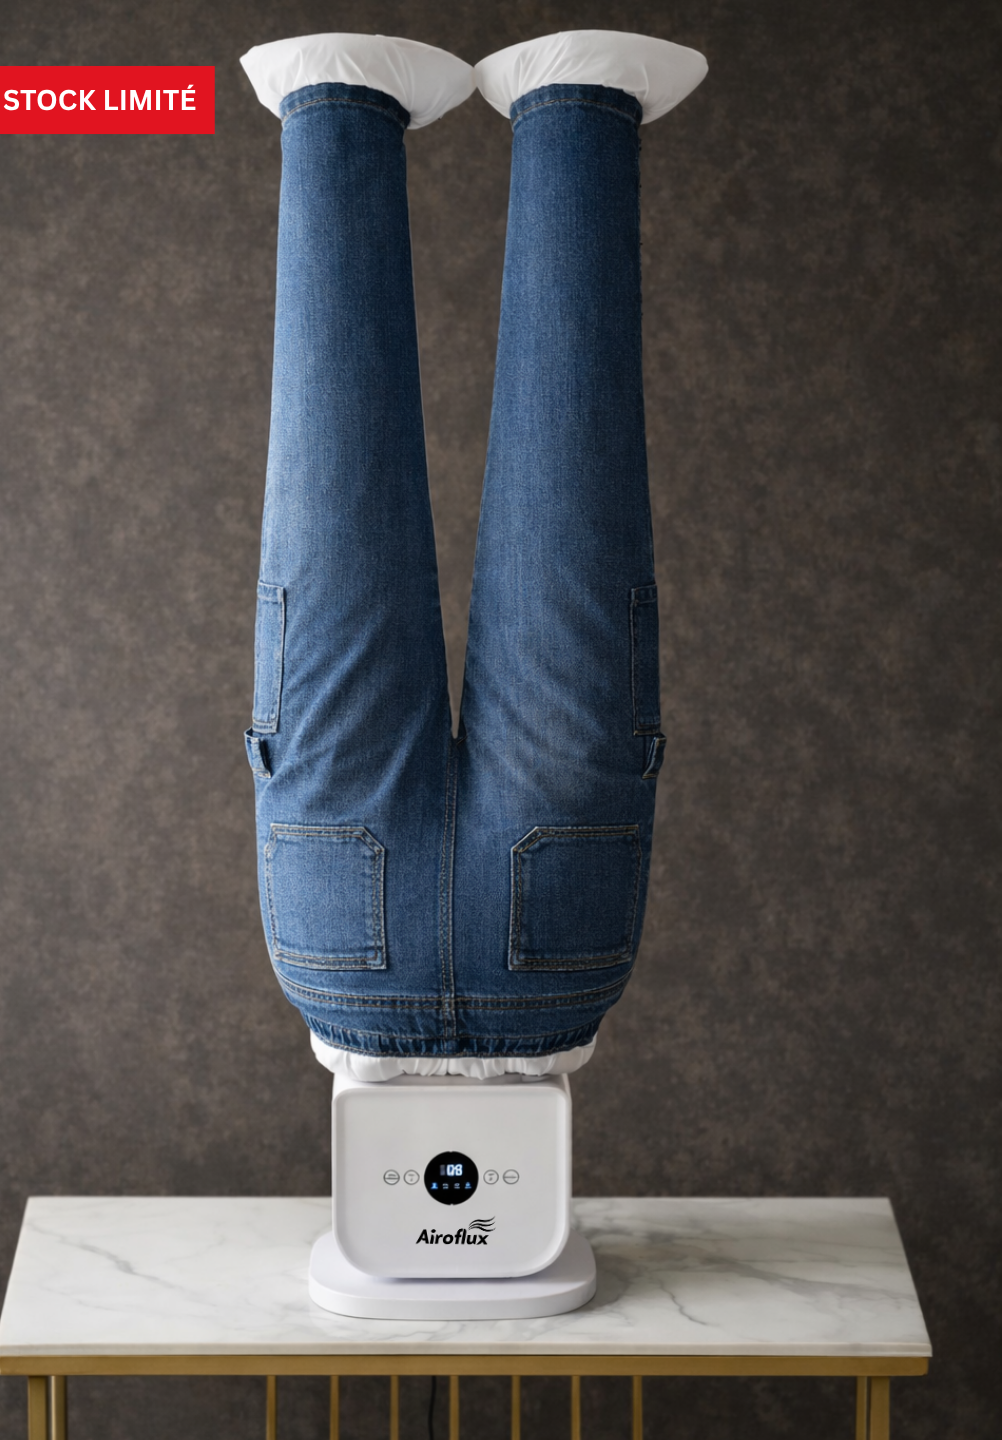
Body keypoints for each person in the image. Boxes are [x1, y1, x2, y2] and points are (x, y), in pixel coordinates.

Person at [239, 31, 707, 1080]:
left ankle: (583, 103)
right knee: (332, 490)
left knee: (577, 491)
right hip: (340, 957)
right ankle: (333, 103)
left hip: (557, 962)